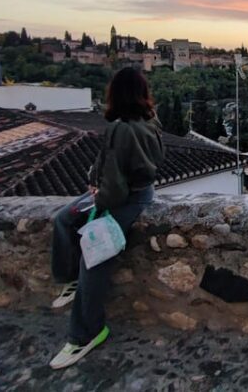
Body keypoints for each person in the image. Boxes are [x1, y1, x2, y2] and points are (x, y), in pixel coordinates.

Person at [49, 67, 164, 369]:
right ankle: (69, 281)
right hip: (138, 193)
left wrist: (99, 199)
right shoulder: (148, 121)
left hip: (124, 199)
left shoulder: (122, 128)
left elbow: (114, 181)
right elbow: (108, 161)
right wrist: (94, 180)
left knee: (93, 260)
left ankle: (85, 334)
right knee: (65, 218)